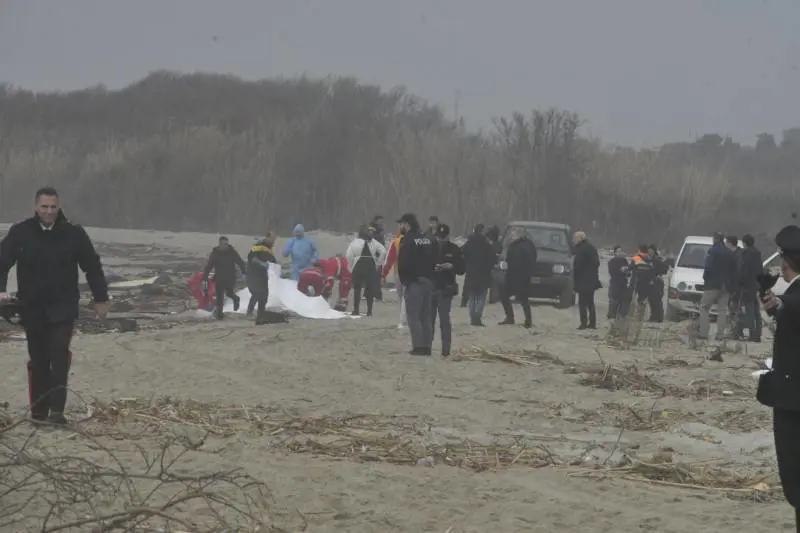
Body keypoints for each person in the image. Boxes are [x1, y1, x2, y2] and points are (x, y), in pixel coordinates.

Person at [0, 186, 109, 425]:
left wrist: (101, 298)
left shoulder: (74, 233)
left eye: (53, 207)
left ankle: (57, 412)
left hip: (63, 306)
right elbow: (2, 261)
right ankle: (39, 412)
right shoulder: (21, 232)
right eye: (45, 207)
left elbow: (92, 265)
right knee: (38, 359)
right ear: (36, 208)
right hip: (32, 306)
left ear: (58, 207)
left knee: (59, 355)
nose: (49, 211)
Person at [758, 224, 800, 531]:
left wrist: (781, 306)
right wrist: (777, 309)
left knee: (795, 477)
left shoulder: (795, 299)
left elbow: (793, 310)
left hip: (793, 402)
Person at [397, 213, 437, 355]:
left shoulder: (408, 240)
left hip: (415, 282)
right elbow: (435, 259)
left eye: (401, 224)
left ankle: (418, 347)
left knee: (414, 316)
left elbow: (403, 262)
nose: (400, 227)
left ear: (407, 225)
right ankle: (427, 346)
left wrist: (405, 281)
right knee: (426, 316)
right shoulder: (427, 239)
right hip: (429, 282)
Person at [431, 224, 465, 357]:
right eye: (439, 237)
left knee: (444, 319)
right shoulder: (429, 248)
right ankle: (427, 345)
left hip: (446, 288)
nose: (441, 240)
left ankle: (446, 349)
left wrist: (452, 266)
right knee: (429, 319)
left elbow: (462, 269)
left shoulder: (455, 249)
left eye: (443, 237)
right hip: (432, 286)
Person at [698, 232, 737, 340]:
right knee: (722, 311)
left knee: (704, 307)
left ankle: (704, 332)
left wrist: (706, 279)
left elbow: (708, 267)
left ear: (715, 239)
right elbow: (734, 272)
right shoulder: (730, 253)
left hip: (713, 285)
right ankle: (720, 335)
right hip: (726, 287)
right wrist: (732, 287)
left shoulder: (713, 251)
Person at [345, 225, 387, 316]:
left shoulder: (355, 242)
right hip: (370, 265)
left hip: (358, 265)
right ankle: (369, 311)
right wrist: (378, 263)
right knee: (369, 290)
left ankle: (356, 310)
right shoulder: (374, 242)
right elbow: (383, 251)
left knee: (357, 289)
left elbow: (348, 255)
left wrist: (351, 265)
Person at [499, 227, 536, 328]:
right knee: (504, 295)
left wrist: (525, 272)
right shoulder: (515, 245)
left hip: (521, 276)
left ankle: (528, 321)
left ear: (520, 235)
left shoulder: (526, 245)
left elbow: (529, 260)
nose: (511, 237)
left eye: (513, 235)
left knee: (523, 298)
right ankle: (510, 317)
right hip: (512, 276)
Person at [202, 236, 246, 320]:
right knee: (220, 298)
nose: (226, 246)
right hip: (219, 278)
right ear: (220, 244)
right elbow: (209, 266)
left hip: (230, 277)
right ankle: (220, 315)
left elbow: (240, 262)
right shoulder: (215, 253)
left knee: (229, 293)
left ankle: (236, 299)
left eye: (227, 244)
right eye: (224, 244)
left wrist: (244, 272)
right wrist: (205, 278)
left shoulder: (232, 252)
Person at [461, 224, 497, 326]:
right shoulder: (487, 244)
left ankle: (472, 317)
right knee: (481, 297)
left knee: (472, 296)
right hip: (484, 274)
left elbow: (463, 254)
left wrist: (467, 266)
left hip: (471, 273)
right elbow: (493, 259)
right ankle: (477, 317)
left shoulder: (469, 243)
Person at [732, 233, 763, 342]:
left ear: (744, 243)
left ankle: (752, 334)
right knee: (756, 311)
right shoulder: (758, 253)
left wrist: (740, 283)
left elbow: (742, 271)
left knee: (748, 311)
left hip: (747, 286)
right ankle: (758, 334)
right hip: (756, 285)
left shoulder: (745, 254)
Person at [572, 231, 601, 330]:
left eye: (575, 238)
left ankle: (583, 323)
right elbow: (597, 263)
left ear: (580, 238)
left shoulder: (581, 249)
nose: (574, 240)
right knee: (590, 302)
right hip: (591, 280)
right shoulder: (591, 247)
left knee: (582, 303)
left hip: (583, 280)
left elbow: (578, 265)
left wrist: (574, 275)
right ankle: (592, 323)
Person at [246, 236, 277, 323]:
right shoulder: (256, 249)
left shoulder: (268, 252)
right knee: (256, 294)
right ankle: (249, 312)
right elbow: (253, 260)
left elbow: (273, 262)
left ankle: (261, 313)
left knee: (264, 295)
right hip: (254, 275)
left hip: (263, 276)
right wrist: (263, 264)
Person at [382, 229, 407, 328]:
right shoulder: (396, 241)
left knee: (404, 298)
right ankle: (405, 319)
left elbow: (389, 259)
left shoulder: (396, 241)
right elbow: (390, 258)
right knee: (404, 297)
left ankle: (404, 320)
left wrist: (383, 274)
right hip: (402, 273)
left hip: (402, 274)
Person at [629, 245, 655, 315]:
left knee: (631, 300)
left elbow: (629, 268)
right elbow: (652, 273)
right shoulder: (649, 260)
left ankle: (630, 315)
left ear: (639, 251)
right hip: (645, 284)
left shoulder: (637, 258)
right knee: (642, 301)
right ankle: (640, 317)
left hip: (635, 282)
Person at [607, 245, 630, 319]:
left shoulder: (624, 261)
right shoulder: (611, 262)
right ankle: (612, 315)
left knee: (624, 300)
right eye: (618, 251)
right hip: (615, 284)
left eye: (621, 251)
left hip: (623, 283)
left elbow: (629, 272)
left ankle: (622, 316)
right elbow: (612, 272)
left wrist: (627, 271)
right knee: (614, 301)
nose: (619, 253)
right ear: (615, 253)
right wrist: (621, 270)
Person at [647, 244, 668, 322]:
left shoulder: (657, 259)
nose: (650, 252)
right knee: (651, 300)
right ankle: (653, 316)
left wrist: (658, 275)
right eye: (649, 250)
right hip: (650, 282)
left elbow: (664, 268)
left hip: (657, 282)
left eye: (651, 250)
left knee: (657, 300)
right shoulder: (648, 260)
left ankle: (659, 317)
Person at [485, 225, 504, 304]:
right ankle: (492, 298)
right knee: (494, 282)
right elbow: (499, 251)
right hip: (494, 263)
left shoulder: (486, 240)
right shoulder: (497, 243)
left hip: (486, 263)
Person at [370, 215, 386, 301]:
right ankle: (375, 295)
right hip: (373, 256)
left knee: (377, 276)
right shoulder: (373, 231)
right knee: (374, 276)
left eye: (382, 222)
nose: (381, 223)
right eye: (380, 221)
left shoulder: (380, 232)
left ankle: (376, 294)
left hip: (378, 256)